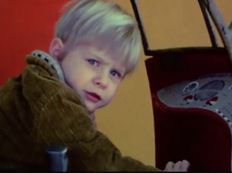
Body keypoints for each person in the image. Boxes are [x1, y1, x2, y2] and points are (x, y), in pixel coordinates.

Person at [0, 0, 189, 171]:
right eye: (93, 62)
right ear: (58, 50)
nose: (103, 80)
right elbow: (98, 161)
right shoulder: (51, 97)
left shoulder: (46, 85)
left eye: (114, 73)